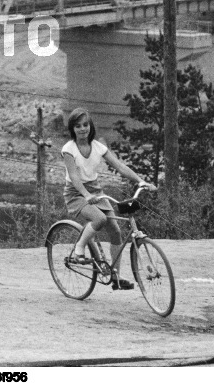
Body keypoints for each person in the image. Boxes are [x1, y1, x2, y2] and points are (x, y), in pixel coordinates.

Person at [59, 107, 155, 290]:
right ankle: (80, 246)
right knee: (100, 219)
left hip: (95, 190)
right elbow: (74, 176)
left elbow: (119, 166)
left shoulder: (98, 147)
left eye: (85, 124)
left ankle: (116, 278)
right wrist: (86, 195)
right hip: (75, 193)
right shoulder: (68, 149)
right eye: (78, 126)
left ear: (90, 126)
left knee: (116, 231)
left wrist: (141, 181)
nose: (82, 129)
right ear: (72, 128)